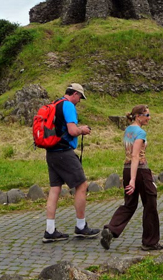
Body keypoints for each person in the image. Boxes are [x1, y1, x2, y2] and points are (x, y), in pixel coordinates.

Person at [100, 105, 163, 251]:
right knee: (150, 203)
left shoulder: (128, 130)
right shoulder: (140, 132)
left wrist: (130, 177)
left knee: (129, 204)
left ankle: (111, 229)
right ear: (138, 116)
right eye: (147, 115)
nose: (149, 118)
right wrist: (133, 180)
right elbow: (135, 156)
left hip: (126, 168)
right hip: (140, 170)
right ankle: (150, 242)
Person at [43, 83, 100, 243]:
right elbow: (72, 131)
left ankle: (50, 230)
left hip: (51, 152)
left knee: (55, 189)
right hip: (64, 152)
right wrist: (82, 130)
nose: (80, 101)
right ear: (74, 94)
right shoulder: (68, 106)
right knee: (81, 185)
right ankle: (81, 226)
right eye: (80, 97)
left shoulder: (55, 104)